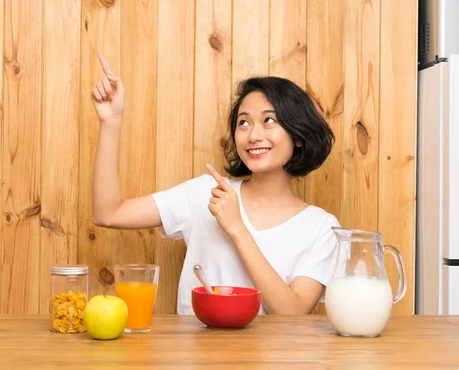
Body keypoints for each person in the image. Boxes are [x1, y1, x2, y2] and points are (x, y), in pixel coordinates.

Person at [90, 52, 340, 315]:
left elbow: (293, 315)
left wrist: (237, 228)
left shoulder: (320, 227)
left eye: (269, 121)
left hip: (271, 357)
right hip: (194, 357)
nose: (254, 135)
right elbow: (108, 213)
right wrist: (111, 121)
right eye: (243, 122)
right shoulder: (207, 193)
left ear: (298, 136)